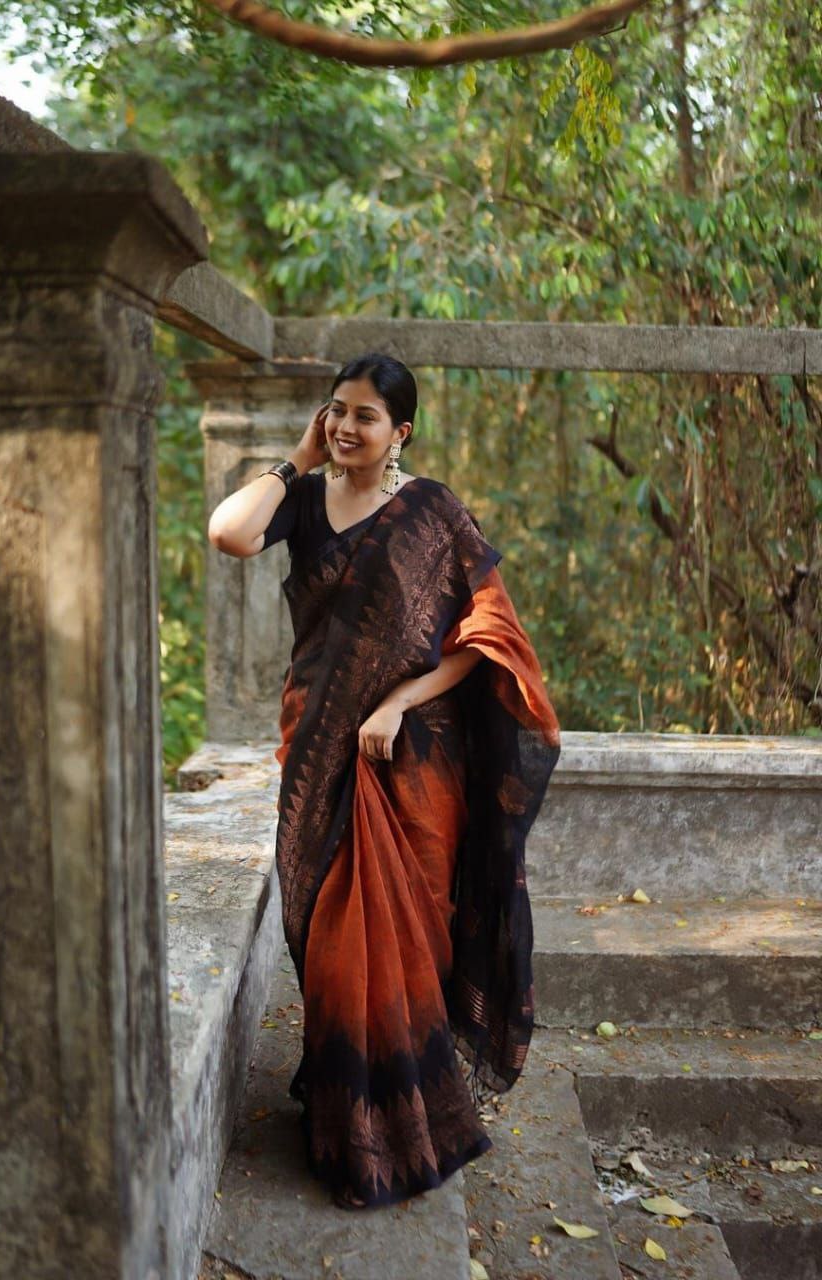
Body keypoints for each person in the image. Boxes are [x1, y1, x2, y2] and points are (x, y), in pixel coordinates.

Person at [207, 352, 561, 1211]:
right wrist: (294, 458)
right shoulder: (301, 500)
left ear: (400, 432)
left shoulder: (432, 512)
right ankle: (343, 1117)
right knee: (325, 935)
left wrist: (401, 699)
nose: (344, 428)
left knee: (397, 936)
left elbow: (489, 634)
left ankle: (398, 1130)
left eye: (364, 416)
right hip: (315, 743)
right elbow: (228, 532)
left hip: (409, 760)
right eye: (335, 411)